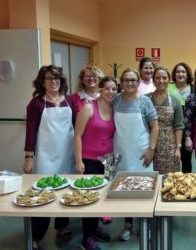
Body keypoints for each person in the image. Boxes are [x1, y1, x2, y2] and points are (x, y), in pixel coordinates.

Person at [23, 65, 75, 250]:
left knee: (66, 191)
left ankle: (61, 226)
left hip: (67, 154)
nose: (54, 82)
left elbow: (77, 130)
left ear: (61, 81)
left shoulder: (70, 101)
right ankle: (36, 235)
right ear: (42, 82)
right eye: (49, 79)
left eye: (57, 79)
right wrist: (29, 156)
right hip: (46, 156)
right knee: (44, 195)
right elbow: (30, 132)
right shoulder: (36, 104)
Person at [113, 68, 158, 241]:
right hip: (122, 153)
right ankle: (128, 224)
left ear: (138, 82)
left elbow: (155, 126)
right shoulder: (116, 100)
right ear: (121, 82)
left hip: (142, 153)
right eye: (126, 80)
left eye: (133, 80)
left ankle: (146, 224)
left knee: (144, 189)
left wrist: (151, 150)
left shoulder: (145, 102)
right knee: (125, 190)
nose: (130, 83)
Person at [74, 76, 117, 250]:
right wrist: (78, 161)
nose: (111, 92)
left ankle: (94, 228)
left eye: (114, 89)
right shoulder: (88, 108)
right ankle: (86, 238)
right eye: (107, 88)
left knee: (105, 195)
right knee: (91, 197)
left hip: (109, 160)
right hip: (89, 159)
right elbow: (77, 135)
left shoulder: (114, 108)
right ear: (100, 89)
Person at [148, 66, 184, 173]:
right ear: (153, 80)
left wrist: (178, 148)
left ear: (169, 80)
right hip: (149, 145)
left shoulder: (175, 101)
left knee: (170, 179)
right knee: (150, 178)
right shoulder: (145, 99)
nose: (161, 81)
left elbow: (179, 126)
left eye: (164, 78)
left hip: (170, 146)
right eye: (157, 78)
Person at [168, 62, 194, 173]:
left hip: (189, 130)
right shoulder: (168, 87)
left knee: (187, 160)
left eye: (183, 71)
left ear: (187, 74)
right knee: (172, 158)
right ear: (174, 74)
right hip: (172, 129)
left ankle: (185, 185)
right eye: (178, 71)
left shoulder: (194, 88)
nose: (180, 74)